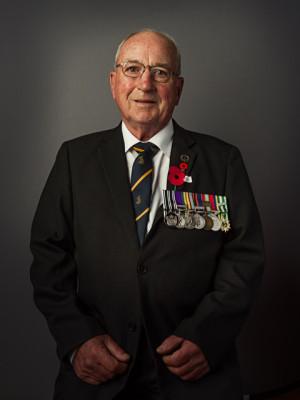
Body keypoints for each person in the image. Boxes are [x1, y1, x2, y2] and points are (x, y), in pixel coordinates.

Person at [30, 29, 265, 400]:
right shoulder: (75, 159)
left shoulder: (222, 162)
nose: (145, 83)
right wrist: (79, 339)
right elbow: (48, 258)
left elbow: (244, 259)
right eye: (133, 68)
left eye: (160, 72)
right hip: (99, 368)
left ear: (179, 87)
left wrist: (207, 337)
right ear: (113, 82)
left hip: (193, 370)